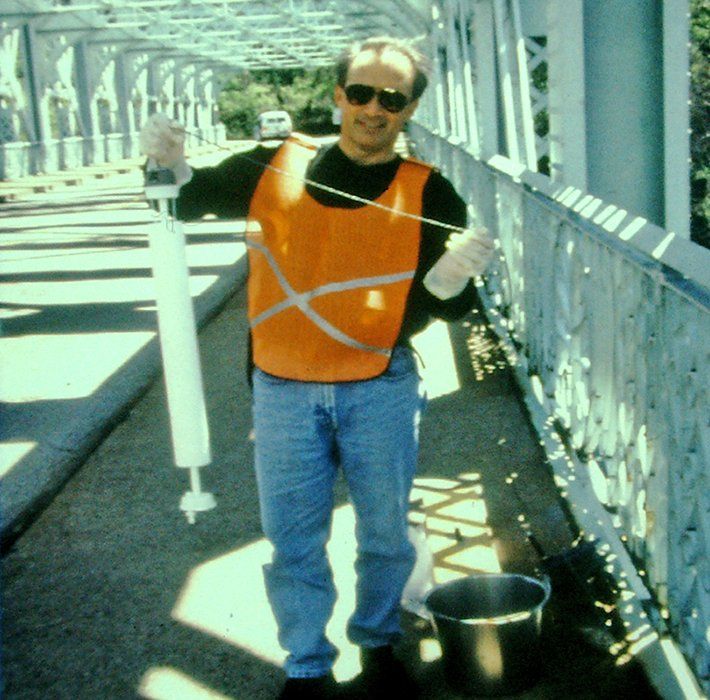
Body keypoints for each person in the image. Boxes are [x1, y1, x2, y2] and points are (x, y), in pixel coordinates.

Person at [140, 36, 494, 700]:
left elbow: (446, 306)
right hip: (283, 391)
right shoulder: (278, 161)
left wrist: (451, 279)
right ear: (338, 95)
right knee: (293, 539)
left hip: (380, 385)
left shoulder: (431, 191)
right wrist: (167, 164)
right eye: (360, 92)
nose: (372, 109)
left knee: (385, 533)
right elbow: (187, 200)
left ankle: (379, 644)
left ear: (411, 108)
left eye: (391, 98)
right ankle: (307, 666)